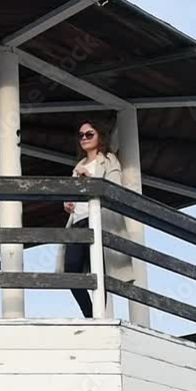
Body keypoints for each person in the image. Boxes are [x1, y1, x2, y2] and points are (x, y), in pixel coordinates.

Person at [56, 120, 134, 317]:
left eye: (89, 134)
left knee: (98, 271)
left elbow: (114, 188)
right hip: (77, 221)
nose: (84, 138)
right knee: (71, 270)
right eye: (81, 135)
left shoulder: (108, 160)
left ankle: (98, 316)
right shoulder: (78, 166)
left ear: (100, 136)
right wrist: (68, 202)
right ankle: (91, 315)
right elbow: (73, 194)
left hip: (98, 220)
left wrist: (90, 178)